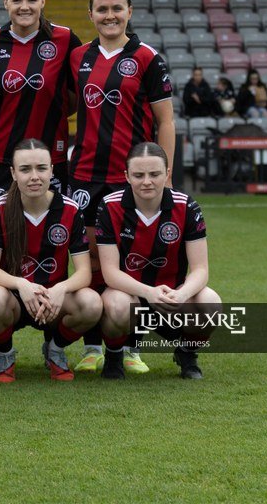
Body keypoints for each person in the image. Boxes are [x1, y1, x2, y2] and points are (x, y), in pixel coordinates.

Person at [66, 0, 175, 374]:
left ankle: (130, 347)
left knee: (131, 263)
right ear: (90, 15)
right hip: (84, 176)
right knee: (91, 261)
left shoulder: (147, 58)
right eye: (101, 9)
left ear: (129, 11)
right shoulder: (78, 56)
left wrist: (166, 176)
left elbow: (165, 121)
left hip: (131, 179)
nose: (109, 16)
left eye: (117, 8)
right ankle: (93, 346)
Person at [0, 139, 104, 382]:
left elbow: (84, 273)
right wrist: (21, 285)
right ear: (13, 173)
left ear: (52, 170)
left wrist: (61, 288)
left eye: (41, 168)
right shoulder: (0, 208)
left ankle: (55, 350)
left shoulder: (70, 209)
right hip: (13, 300)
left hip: (53, 300)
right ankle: (5, 355)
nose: (34, 176)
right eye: (25, 169)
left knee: (92, 303)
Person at [96, 142, 221, 379]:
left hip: (172, 295)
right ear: (126, 176)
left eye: (154, 174)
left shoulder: (186, 206)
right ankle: (114, 356)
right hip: (129, 293)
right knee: (117, 306)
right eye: (138, 175)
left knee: (211, 303)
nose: (146, 181)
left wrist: (182, 294)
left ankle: (187, 353)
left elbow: (201, 270)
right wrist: (148, 292)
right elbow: (110, 273)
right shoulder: (109, 206)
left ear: (167, 174)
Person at [0, 0, 82, 215]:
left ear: (43, 2)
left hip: (50, 158)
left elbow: (75, 96)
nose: (24, 7)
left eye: (32, 0)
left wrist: (51, 108)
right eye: (17, 0)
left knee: (51, 235)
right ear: (5, 2)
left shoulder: (66, 39)